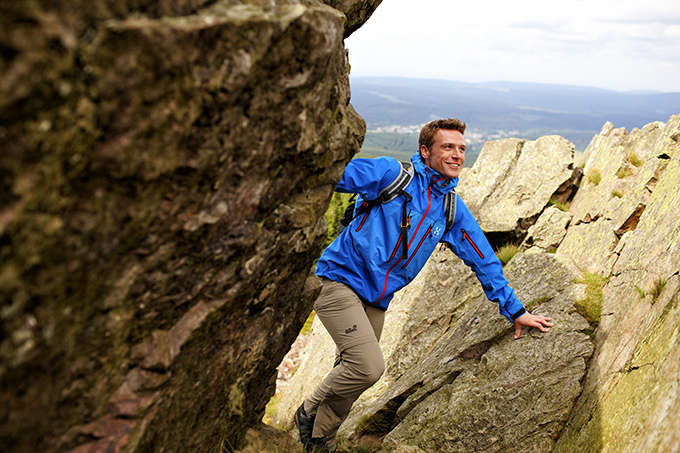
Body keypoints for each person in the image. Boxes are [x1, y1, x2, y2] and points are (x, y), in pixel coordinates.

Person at [295, 118, 554, 452]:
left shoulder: (449, 210)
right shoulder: (392, 175)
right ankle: (308, 411)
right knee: (368, 367)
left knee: (349, 372)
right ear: (425, 150)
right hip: (338, 280)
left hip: (376, 298)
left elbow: (484, 260)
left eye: (462, 148)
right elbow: (335, 177)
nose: (457, 155)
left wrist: (516, 311)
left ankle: (319, 440)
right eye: (448, 147)